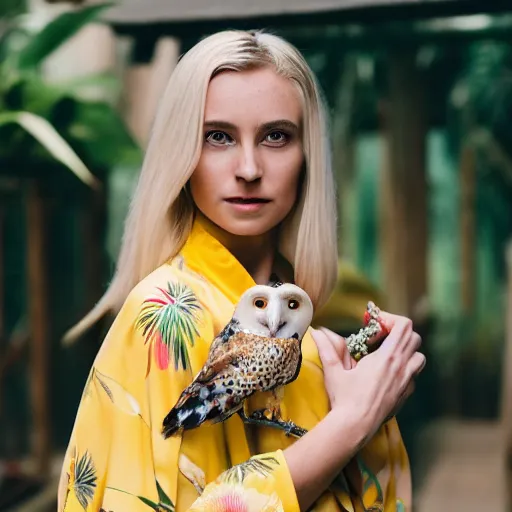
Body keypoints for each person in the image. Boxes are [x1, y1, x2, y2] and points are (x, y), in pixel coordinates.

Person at [58, 30, 425, 512]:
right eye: (218, 137)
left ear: (306, 155)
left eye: (276, 136)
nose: (248, 167)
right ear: (182, 155)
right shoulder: (170, 312)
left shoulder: (295, 319)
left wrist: (367, 384)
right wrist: (352, 420)